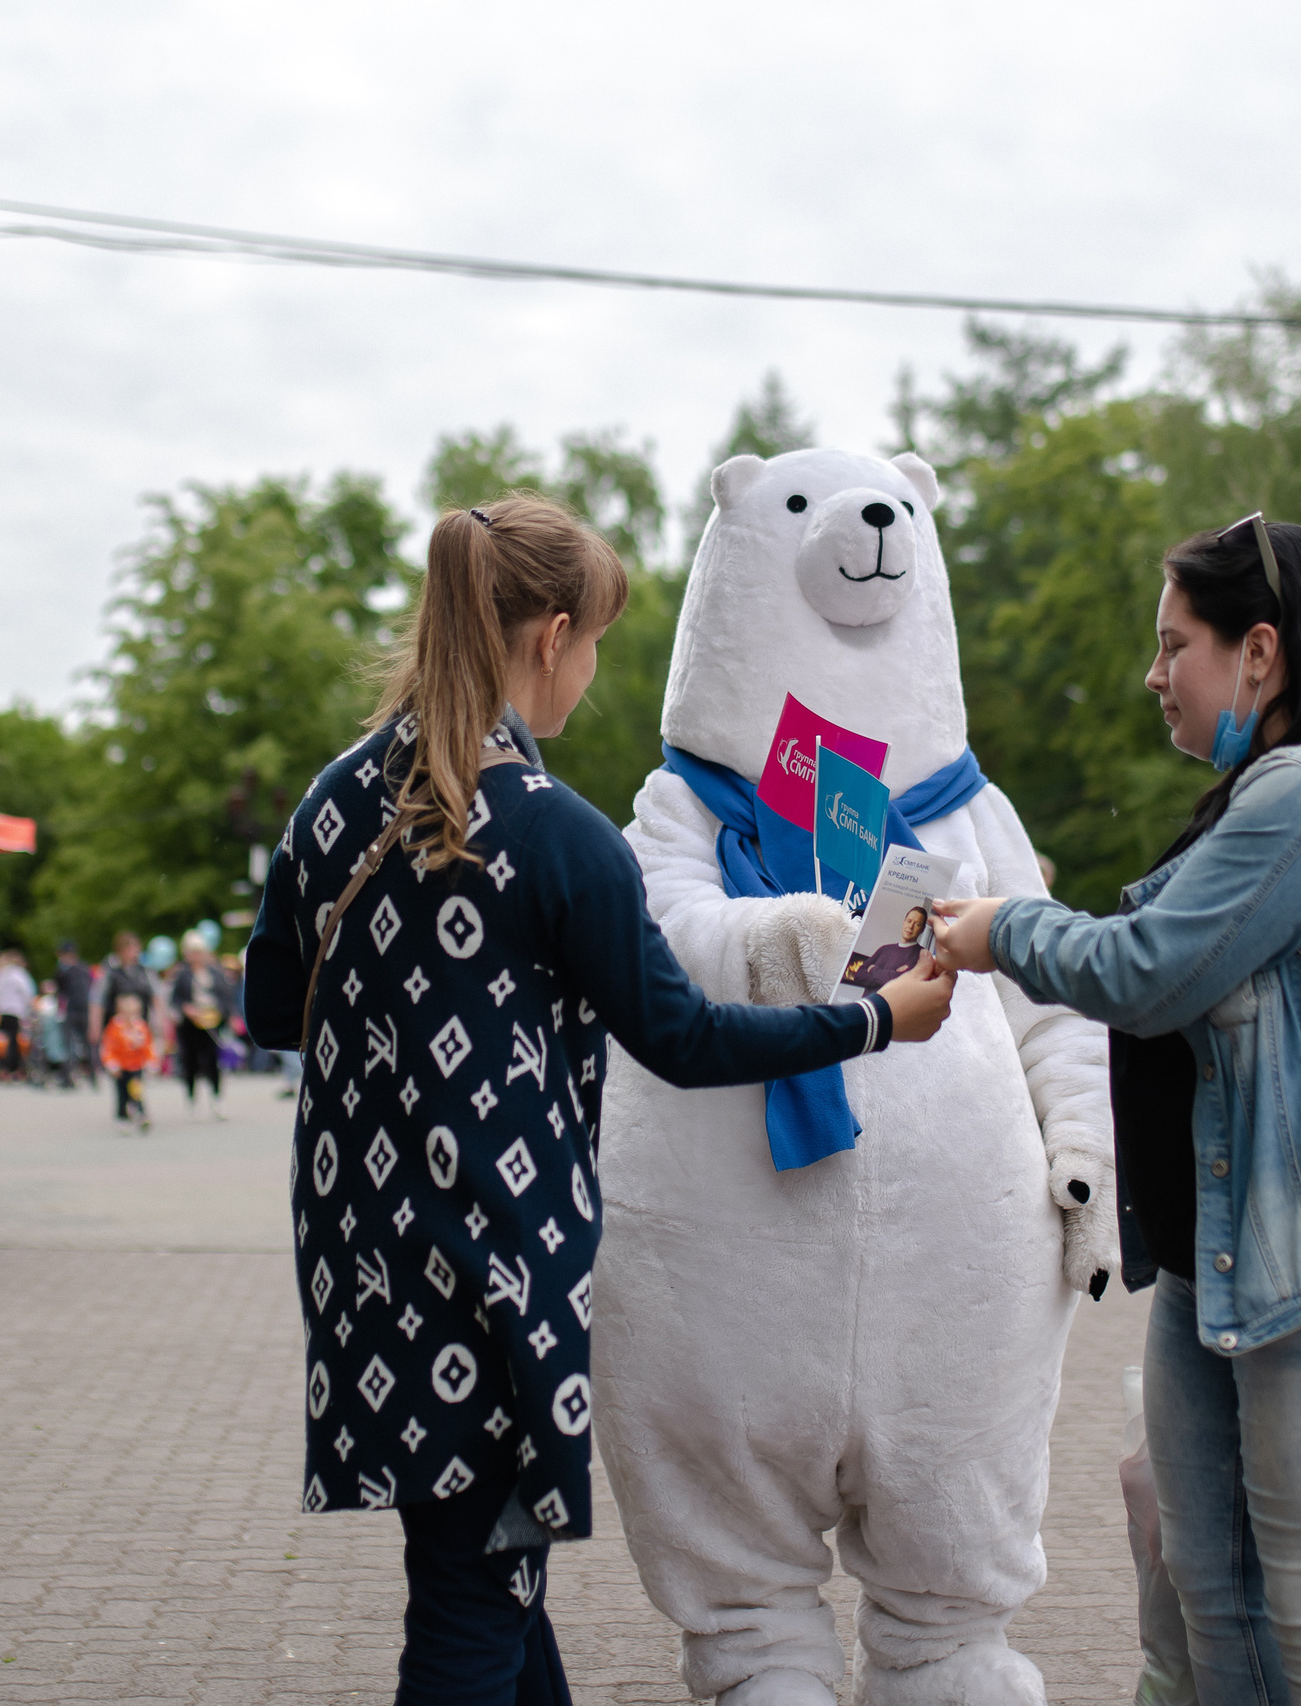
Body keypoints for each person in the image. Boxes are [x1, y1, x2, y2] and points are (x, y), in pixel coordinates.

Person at [244, 493, 953, 1706]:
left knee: (486, 1574)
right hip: (495, 1272)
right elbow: (679, 1036)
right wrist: (876, 1016)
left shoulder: (332, 802)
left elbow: (270, 1009)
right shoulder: (558, 834)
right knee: (471, 1608)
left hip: (365, 1264)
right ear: (551, 633)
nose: (588, 671)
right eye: (595, 644)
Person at [931, 513, 1301, 1706]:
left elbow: (1149, 967)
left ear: (1260, 650)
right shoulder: (1270, 792)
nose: (1153, 673)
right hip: (1235, 1256)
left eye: (1174, 643)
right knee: (1209, 1600)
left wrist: (996, 927)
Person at [167, 932, 236, 1119]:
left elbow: (225, 997)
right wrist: (185, 1009)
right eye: (193, 952)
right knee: (190, 1061)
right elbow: (175, 999)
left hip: (212, 1024)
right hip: (190, 1025)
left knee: (213, 1061)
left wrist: (223, 1013)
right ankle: (191, 1100)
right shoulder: (182, 974)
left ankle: (217, 1100)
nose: (196, 956)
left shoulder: (215, 972)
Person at [99, 990, 156, 1128]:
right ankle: (122, 1117)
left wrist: (151, 1061)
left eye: (134, 1012)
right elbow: (108, 1047)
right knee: (122, 1093)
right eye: (127, 1012)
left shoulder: (141, 1027)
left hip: (136, 1065)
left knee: (137, 1090)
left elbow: (148, 1046)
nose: (131, 1016)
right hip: (120, 1067)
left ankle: (140, 1113)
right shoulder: (115, 1027)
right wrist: (111, 1063)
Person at [844, 904, 932, 992]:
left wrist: (873, 970)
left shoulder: (921, 954)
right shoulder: (884, 949)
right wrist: (886, 977)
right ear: (904, 922)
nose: (911, 926)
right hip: (865, 1003)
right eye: (909, 921)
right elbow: (858, 974)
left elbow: (898, 981)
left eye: (917, 924)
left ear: (922, 929)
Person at [0, 949, 36, 1083]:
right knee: (14, 1042)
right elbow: (28, 993)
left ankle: (1, 1067)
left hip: (1, 1011)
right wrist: (29, 1010)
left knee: (1, 1040)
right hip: (16, 1011)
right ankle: (13, 1069)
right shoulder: (20, 975)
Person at [54, 939, 96, 1089]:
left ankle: (68, 1077)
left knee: (69, 1044)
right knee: (86, 1044)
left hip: (72, 1009)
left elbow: (60, 992)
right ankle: (92, 1076)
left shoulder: (64, 971)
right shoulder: (85, 969)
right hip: (84, 1008)